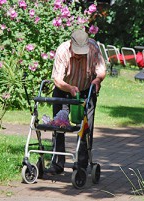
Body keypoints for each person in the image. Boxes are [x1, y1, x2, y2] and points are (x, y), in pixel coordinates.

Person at [45, 29, 107, 175]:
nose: (80, 54)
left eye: (82, 51)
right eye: (77, 51)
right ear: (71, 44)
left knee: (85, 128)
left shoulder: (93, 48)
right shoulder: (62, 51)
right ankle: (57, 163)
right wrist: (70, 88)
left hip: (86, 91)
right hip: (64, 90)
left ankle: (81, 165)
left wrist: (98, 80)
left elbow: (101, 69)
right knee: (59, 126)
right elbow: (57, 80)